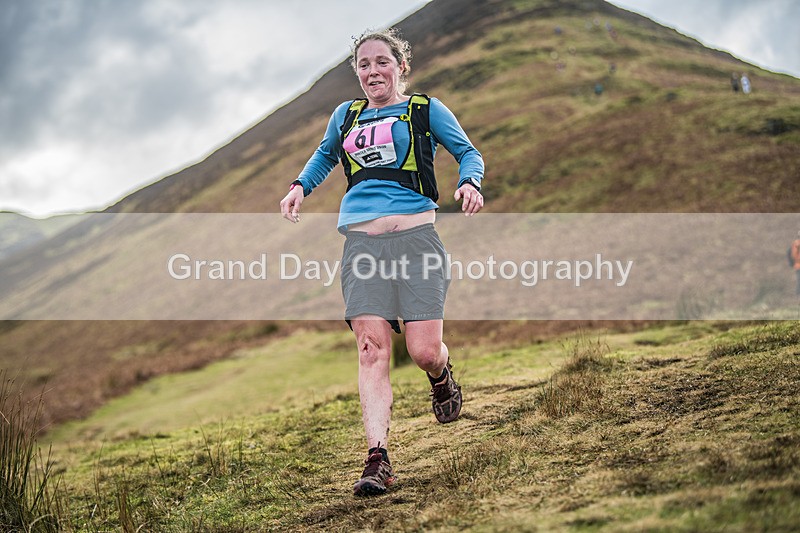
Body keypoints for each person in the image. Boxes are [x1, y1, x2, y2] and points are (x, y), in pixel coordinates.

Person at [279, 28, 485, 497]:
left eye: (381, 62)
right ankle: (378, 458)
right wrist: (299, 187)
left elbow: (468, 152)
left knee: (423, 351)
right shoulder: (345, 116)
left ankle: (441, 376)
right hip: (362, 248)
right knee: (371, 349)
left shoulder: (425, 110)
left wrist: (470, 182)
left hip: (416, 241)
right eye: (363, 65)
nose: (372, 71)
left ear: (401, 66)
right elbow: (326, 153)